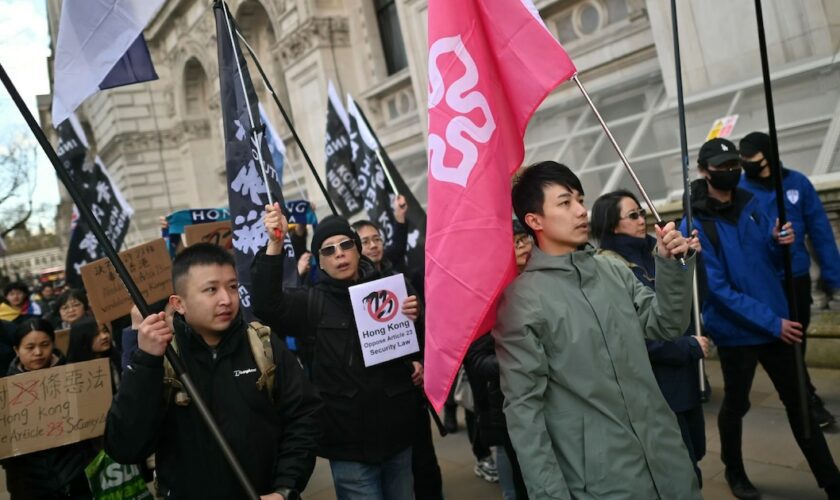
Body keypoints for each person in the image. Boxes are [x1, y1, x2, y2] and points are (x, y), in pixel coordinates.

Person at [494, 161, 700, 499]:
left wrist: (670, 265)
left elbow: (666, 324)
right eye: (565, 202)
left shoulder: (611, 270)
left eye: (580, 199)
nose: (580, 211)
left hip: (667, 459)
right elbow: (524, 412)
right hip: (602, 481)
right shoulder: (522, 302)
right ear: (534, 221)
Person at [684, 137, 840, 500]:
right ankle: (734, 471)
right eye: (721, 168)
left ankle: (831, 481)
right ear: (705, 172)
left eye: (734, 165)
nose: (730, 172)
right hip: (740, 332)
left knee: (800, 402)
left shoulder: (752, 203)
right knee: (736, 404)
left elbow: (767, 262)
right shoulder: (694, 225)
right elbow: (718, 289)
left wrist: (777, 241)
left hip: (775, 321)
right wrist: (774, 323)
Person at [104, 243, 321, 500]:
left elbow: (304, 418)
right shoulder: (162, 358)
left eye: (232, 286)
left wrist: (284, 489)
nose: (226, 299)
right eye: (210, 289)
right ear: (179, 304)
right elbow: (125, 447)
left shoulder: (262, 344)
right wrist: (145, 361)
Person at [252, 207, 422, 500]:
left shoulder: (392, 289)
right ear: (320, 261)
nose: (339, 254)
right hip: (348, 445)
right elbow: (266, 305)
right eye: (329, 250)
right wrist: (275, 244)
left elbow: (418, 342)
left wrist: (416, 339)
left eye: (345, 245)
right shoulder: (309, 303)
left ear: (358, 249)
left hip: (398, 436)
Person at [592, 189, 708, 485]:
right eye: (632, 215)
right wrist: (686, 345)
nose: (641, 220)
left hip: (684, 374)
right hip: (656, 380)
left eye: (641, 212)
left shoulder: (659, 250)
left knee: (696, 449)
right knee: (679, 464)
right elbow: (634, 332)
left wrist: (690, 260)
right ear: (612, 224)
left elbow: (690, 303)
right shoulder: (609, 266)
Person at [739, 130, 840, 428]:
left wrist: (833, 275)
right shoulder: (741, 191)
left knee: (799, 336)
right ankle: (807, 398)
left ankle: (803, 392)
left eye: (751, 159)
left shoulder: (797, 184)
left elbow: (820, 231)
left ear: (767, 157)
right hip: (765, 281)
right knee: (785, 342)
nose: (746, 164)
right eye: (742, 159)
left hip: (796, 277)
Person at [464, 219, 531, 500]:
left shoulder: (544, 279)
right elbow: (477, 360)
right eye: (515, 242)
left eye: (526, 239)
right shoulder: (487, 293)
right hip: (508, 403)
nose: (523, 247)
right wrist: (519, 363)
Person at [1, 318, 97, 499]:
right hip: (28, 484)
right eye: (29, 347)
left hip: (74, 476)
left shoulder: (77, 379)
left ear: (53, 344)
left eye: (44, 345)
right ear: (16, 350)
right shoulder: (5, 393)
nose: (38, 352)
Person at [67, 317, 122, 391]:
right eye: (96, 334)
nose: (104, 336)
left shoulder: (116, 358)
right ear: (82, 339)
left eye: (105, 331)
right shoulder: (72, 371)